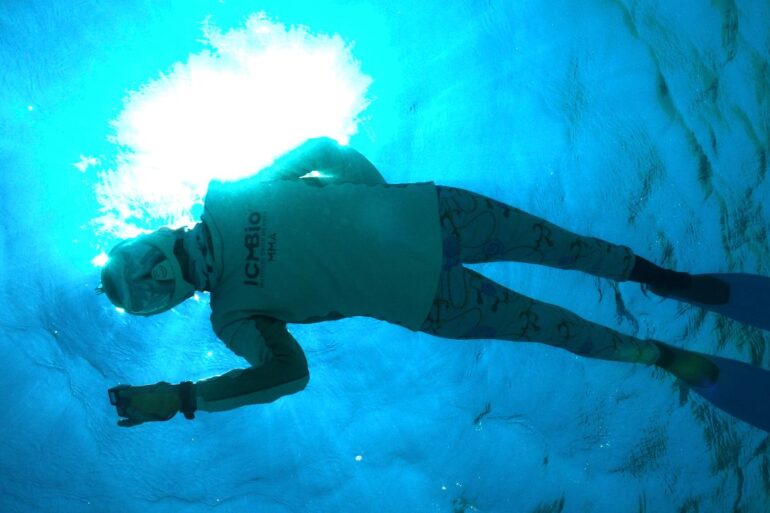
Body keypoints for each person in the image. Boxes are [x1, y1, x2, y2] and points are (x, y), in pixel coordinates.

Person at [99, 137, 770, 431]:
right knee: (557, 330)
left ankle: (664, 279)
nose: (148, 280)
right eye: (141, 296)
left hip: (435, 216)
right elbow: (289, 373)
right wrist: (184, 398)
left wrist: (378, 202)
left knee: (567, 247)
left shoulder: (225, 195)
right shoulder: (231, 317)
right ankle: (657, 354)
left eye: (134, 267)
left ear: (144, 236)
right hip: (430, 301)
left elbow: (322, 150)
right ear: (163, 309)